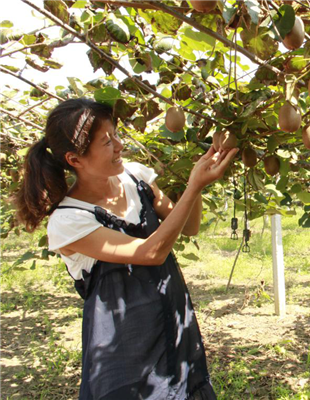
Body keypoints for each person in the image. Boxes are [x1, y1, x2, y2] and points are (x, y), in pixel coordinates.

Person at [15, 98, 237, 399]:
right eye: (107, 142)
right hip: (124, 349)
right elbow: (150, 253)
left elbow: (188, 226)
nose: (120, 145)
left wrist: (196, 184)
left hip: (172, 326)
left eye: (116, 134)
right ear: (74, 160)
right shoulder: (69, 220)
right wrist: (194, 186)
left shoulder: (134, 177)